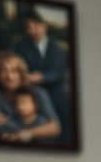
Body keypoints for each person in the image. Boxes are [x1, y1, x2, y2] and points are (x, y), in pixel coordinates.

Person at [13, 8, 70, 141]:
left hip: (56, 91)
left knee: (63, 110)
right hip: (33, 91)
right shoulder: (21, 46)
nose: (31, 30)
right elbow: (19, 66)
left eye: (35, 26)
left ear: (43, 26)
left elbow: (58, 73)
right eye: (28, 27)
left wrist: (41, 77)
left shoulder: (59, 48)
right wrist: (28, 77)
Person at [0, 51, 61, 143]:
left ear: (21, 73)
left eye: (14, 71)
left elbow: (55, 128)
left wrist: (24, 134)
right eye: (3, 71)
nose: (10, 76)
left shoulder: (38, 92)